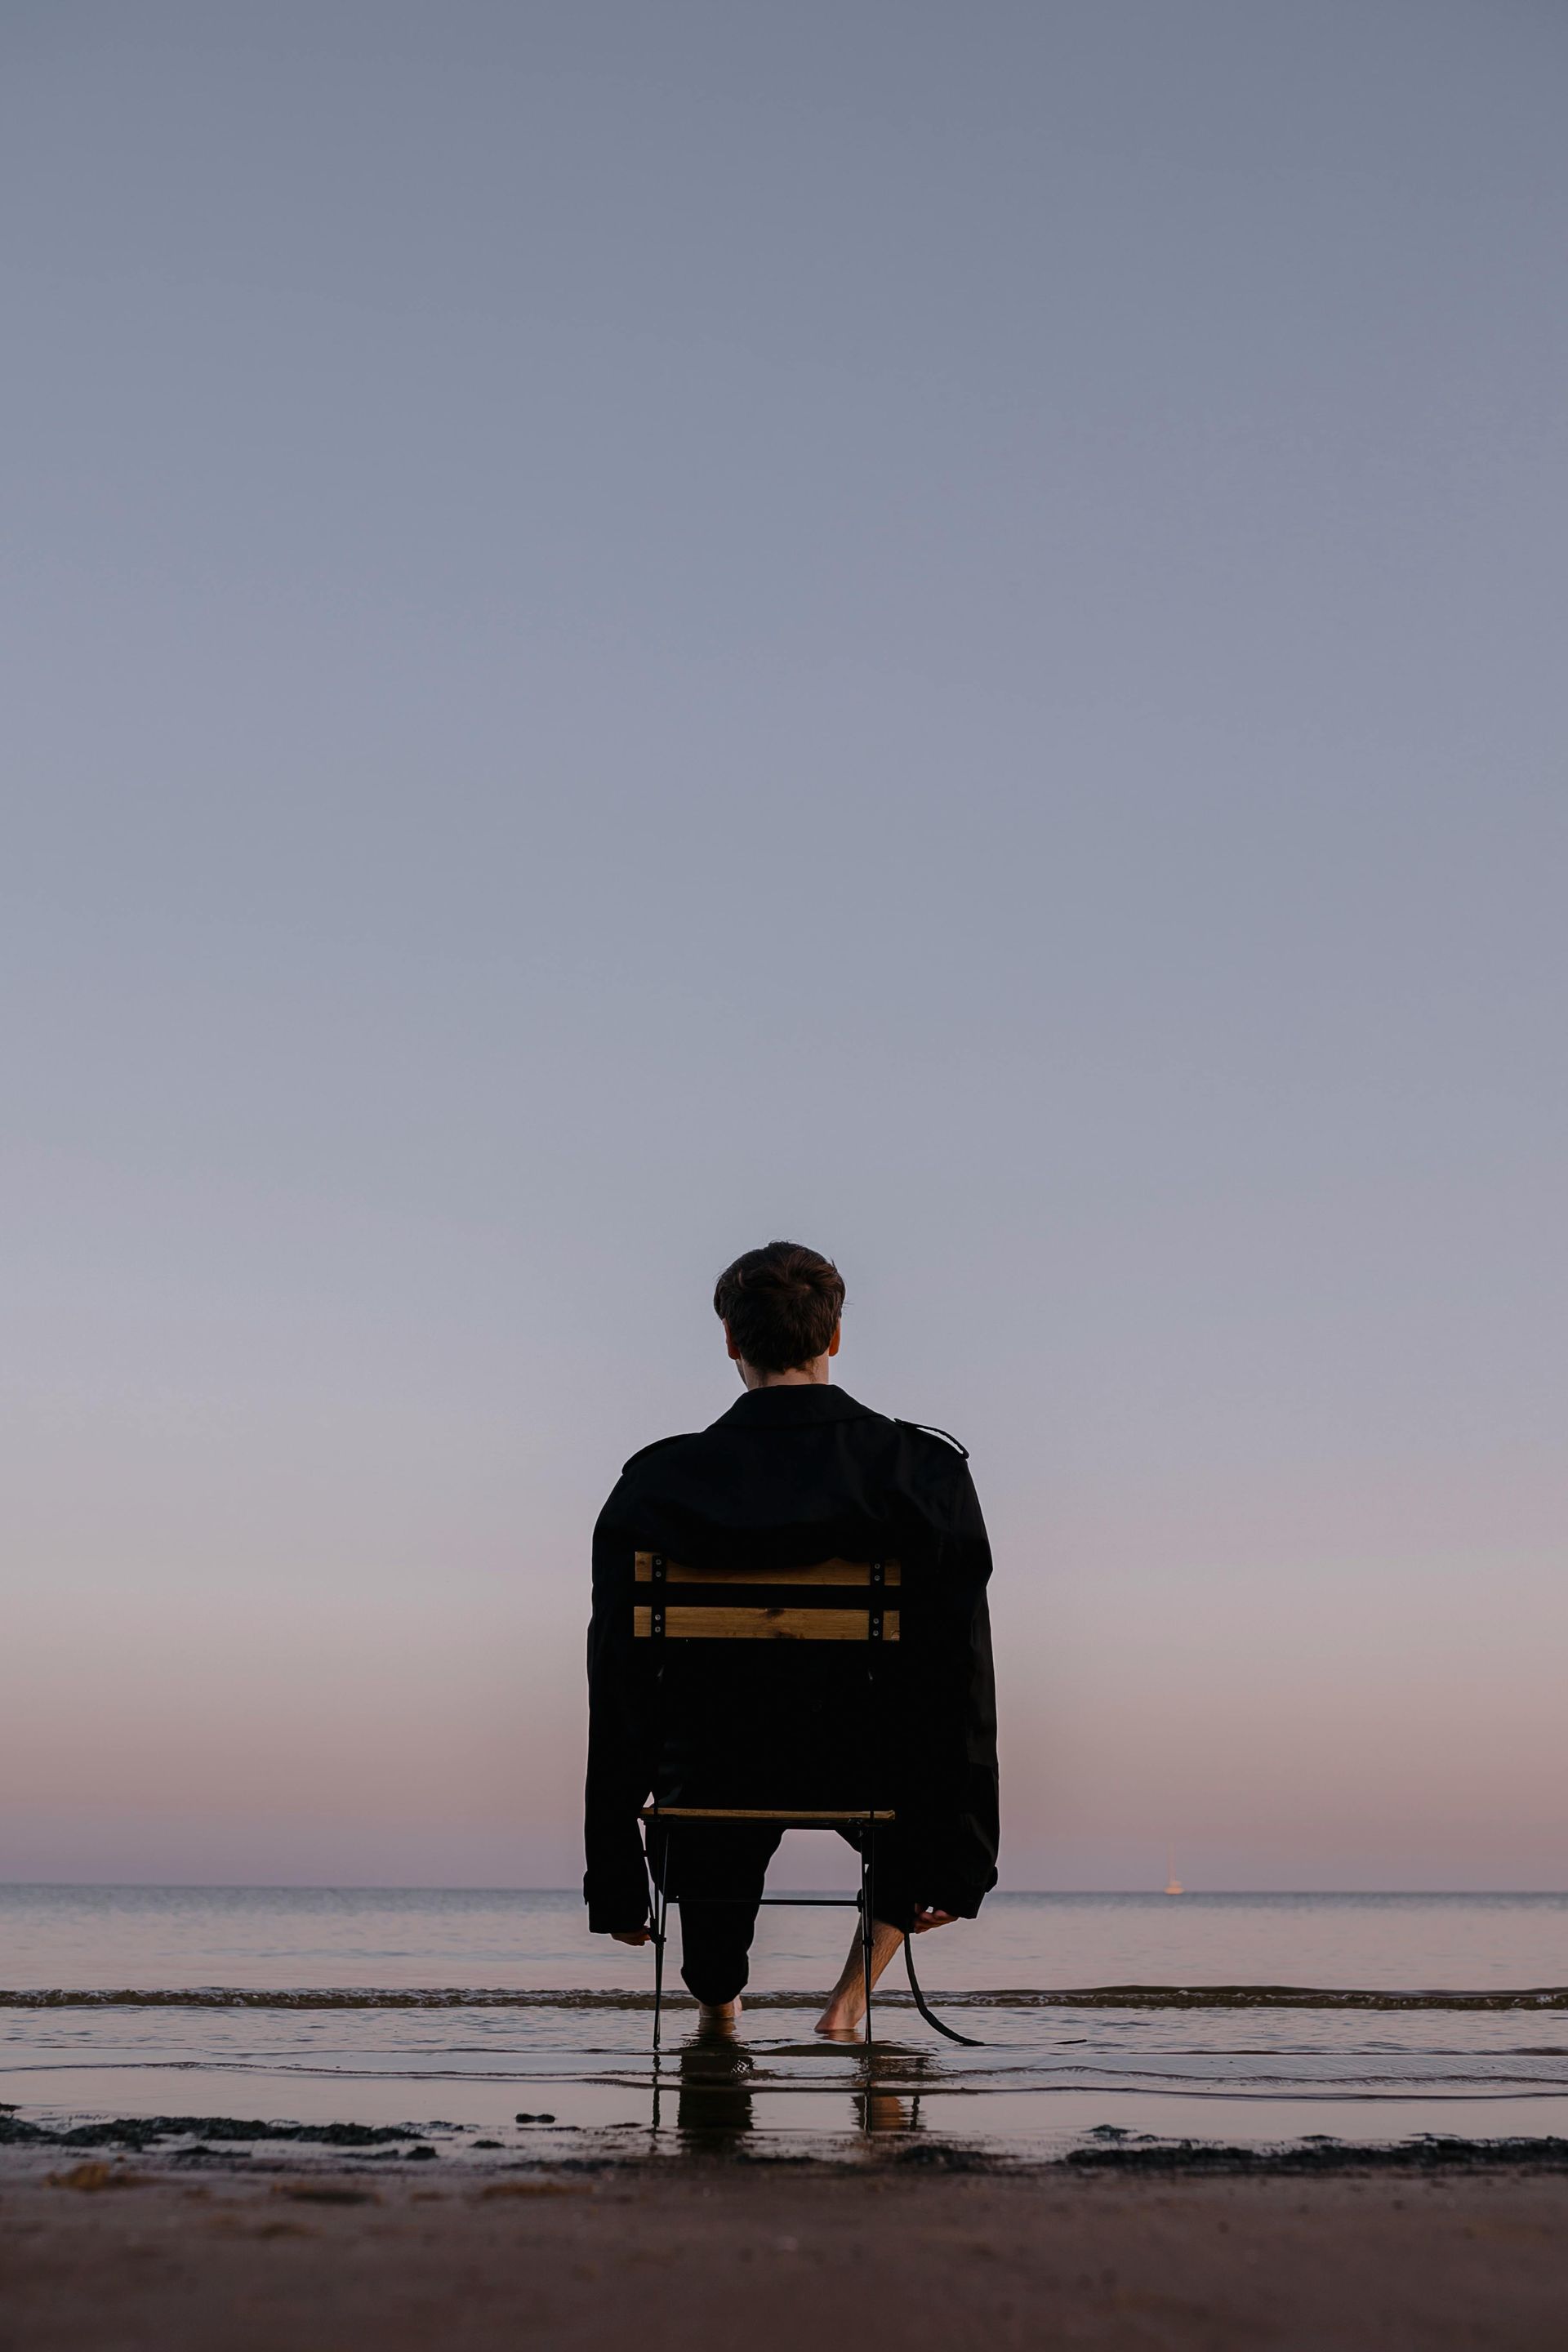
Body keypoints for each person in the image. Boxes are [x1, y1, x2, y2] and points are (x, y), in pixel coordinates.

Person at [583, 1240, 999, 2034]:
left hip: (711, 1776)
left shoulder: (656, 1483)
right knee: (915, 1783)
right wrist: (966, 1857)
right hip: (873, 1771)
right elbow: (963, 1679)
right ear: (833, 1338)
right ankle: (844, 2010)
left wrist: (615, 1875)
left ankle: (719, 2003)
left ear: (733, 1343)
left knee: (709, 1940)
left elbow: (620, 1684)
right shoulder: (925, 1474)